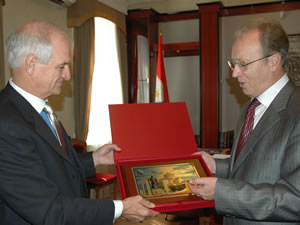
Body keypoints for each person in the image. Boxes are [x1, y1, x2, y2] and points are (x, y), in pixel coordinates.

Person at [0, 21, 159, 225]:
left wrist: (94, 159)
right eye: (61, 66)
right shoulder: (6, 125)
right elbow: (49, 212)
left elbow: (52, 167)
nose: (68, 75)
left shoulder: (38, 108)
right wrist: (120, 208)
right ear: (31, 65)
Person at [189, 18, 300, 225]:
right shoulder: (250, 108)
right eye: (233, 63)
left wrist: (221, 192)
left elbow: (295, 200)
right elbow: (250, 168)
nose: (234, 73)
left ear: (273, 61)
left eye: (243, 64)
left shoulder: (296, 111)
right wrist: (216, 167)